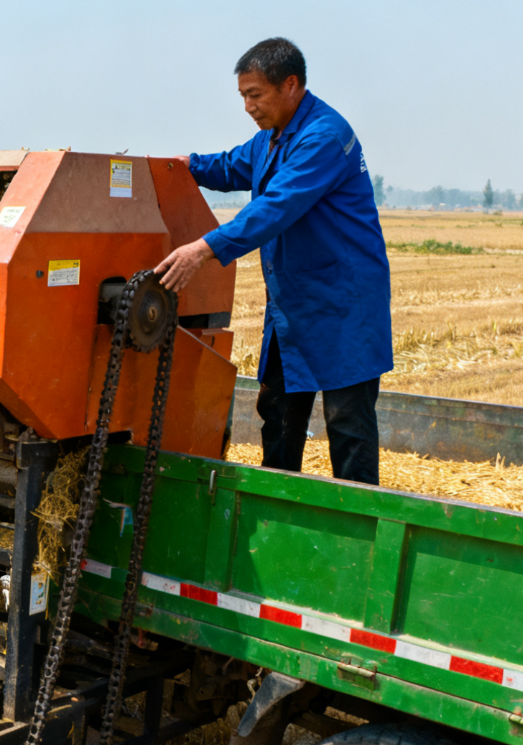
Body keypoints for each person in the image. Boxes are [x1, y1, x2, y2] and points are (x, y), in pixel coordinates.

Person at [155, 37, 391, 486]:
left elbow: (276, 207)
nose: (247, 106)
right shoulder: (271, 138)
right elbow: (228, 167)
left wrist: (203, 249)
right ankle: (279, 504)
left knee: (347, 422)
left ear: (290, 85)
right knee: (278, 411)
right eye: (243, 96)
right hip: (293, 302)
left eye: (255, 95)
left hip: (344, 301)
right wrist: (178, 166)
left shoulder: (323, 136)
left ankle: (357, 525)